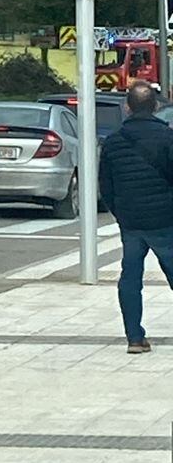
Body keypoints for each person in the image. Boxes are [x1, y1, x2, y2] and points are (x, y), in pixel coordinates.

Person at [98, 80, 173, 352]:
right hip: (165, 219)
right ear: (154, 106)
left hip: (131, 221)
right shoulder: (167, 137)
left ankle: (134, 338)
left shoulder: (114, 141)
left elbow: (105, 184)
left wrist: (121, 214)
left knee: (130, 277)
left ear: (127, 107)